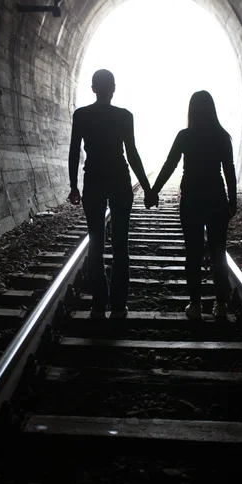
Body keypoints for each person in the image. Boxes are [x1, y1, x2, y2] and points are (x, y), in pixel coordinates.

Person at [68, 69, 154, 319]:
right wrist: (147, 188)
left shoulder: (81, 115)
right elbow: (133, 154)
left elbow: (75, 152)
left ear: (93, 88)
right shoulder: (124, 116)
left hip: (93, 179)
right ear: (113, 88)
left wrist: (74, 186)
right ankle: (118, 306)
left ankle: (98, 303)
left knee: (95, 244)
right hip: (119, 179)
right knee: (120, 245)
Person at [147, 90, 236, 319]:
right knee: (219, 253)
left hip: (192, 198)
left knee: (193, 253)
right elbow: (229, 171)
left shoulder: (185, 136)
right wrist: (232, 201)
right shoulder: (222, 137)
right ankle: (221, 306)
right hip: (217, 198)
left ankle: (195, 306)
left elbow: (170, 165)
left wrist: (154, 191)